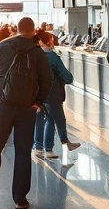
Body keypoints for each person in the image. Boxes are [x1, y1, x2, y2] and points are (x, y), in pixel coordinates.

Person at [0, 17, 53, 209]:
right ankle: (20, 198)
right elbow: (47, 80)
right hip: (26, 109)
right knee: (22, 151)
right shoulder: (37, 52)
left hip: (1, 105)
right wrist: (37, 102)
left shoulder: (2, 46)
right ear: (34, 30)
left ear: (16, 29)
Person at [33, 30, 81, 159]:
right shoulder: (51, 56)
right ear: (47, 41)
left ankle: (38, 148)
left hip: (36, 94)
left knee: (39, 119)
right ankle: (50, 148)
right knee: (54, 118)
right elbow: (67, 76)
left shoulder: (34, 54)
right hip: (51, 93)